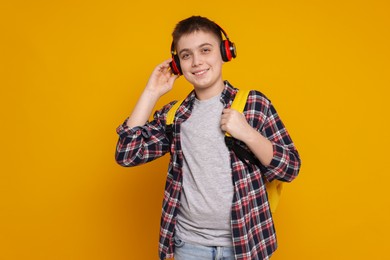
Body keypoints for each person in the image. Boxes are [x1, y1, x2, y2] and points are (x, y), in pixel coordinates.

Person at [115, 16, 301, 260]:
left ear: (225, 52)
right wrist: (152, 92)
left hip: (246, 242)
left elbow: (290, 168)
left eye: (205, 50)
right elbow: (127, 154)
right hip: (190, 245)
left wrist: (247, 133)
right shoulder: (175, 115)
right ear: (177, 64)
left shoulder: (255, 104)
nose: (196, 62)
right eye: (186, 55)